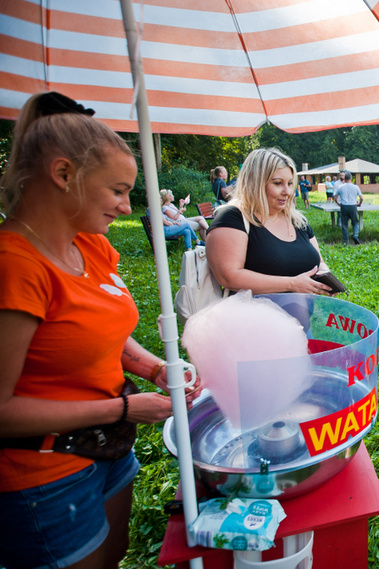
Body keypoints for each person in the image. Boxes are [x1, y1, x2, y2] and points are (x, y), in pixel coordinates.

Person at [0, 91, 201, 569]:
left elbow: (105, 332)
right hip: (44, 473)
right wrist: (126, 407)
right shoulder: (15, 266)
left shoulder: (90, 246)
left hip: (108, 448)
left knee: (112, 555)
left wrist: (152, 367)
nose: (127, 208)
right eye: (116, 190)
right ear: (64, 175)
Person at [205, 148, 336, 295]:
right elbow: (229, 277)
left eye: (290, 183)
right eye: (278, 183)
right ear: (255, 183)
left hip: (301, 316)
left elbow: (320, 262)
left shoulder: (298, 221)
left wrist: (325, 276)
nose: (287, 191)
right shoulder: (232, 218)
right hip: (253, 315)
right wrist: (292, 284)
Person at [333, 171, 363, 245]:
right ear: (351, 178)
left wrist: (338, 203)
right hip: (353, 206)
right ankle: (355, 235)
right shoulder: (356, 187)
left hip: (344, 206)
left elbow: (335, 198)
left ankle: (345, 241)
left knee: (344, 224)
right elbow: (361, 198)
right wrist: (359, 204)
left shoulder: (340, 187)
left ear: (344, 179)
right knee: (355, 222)